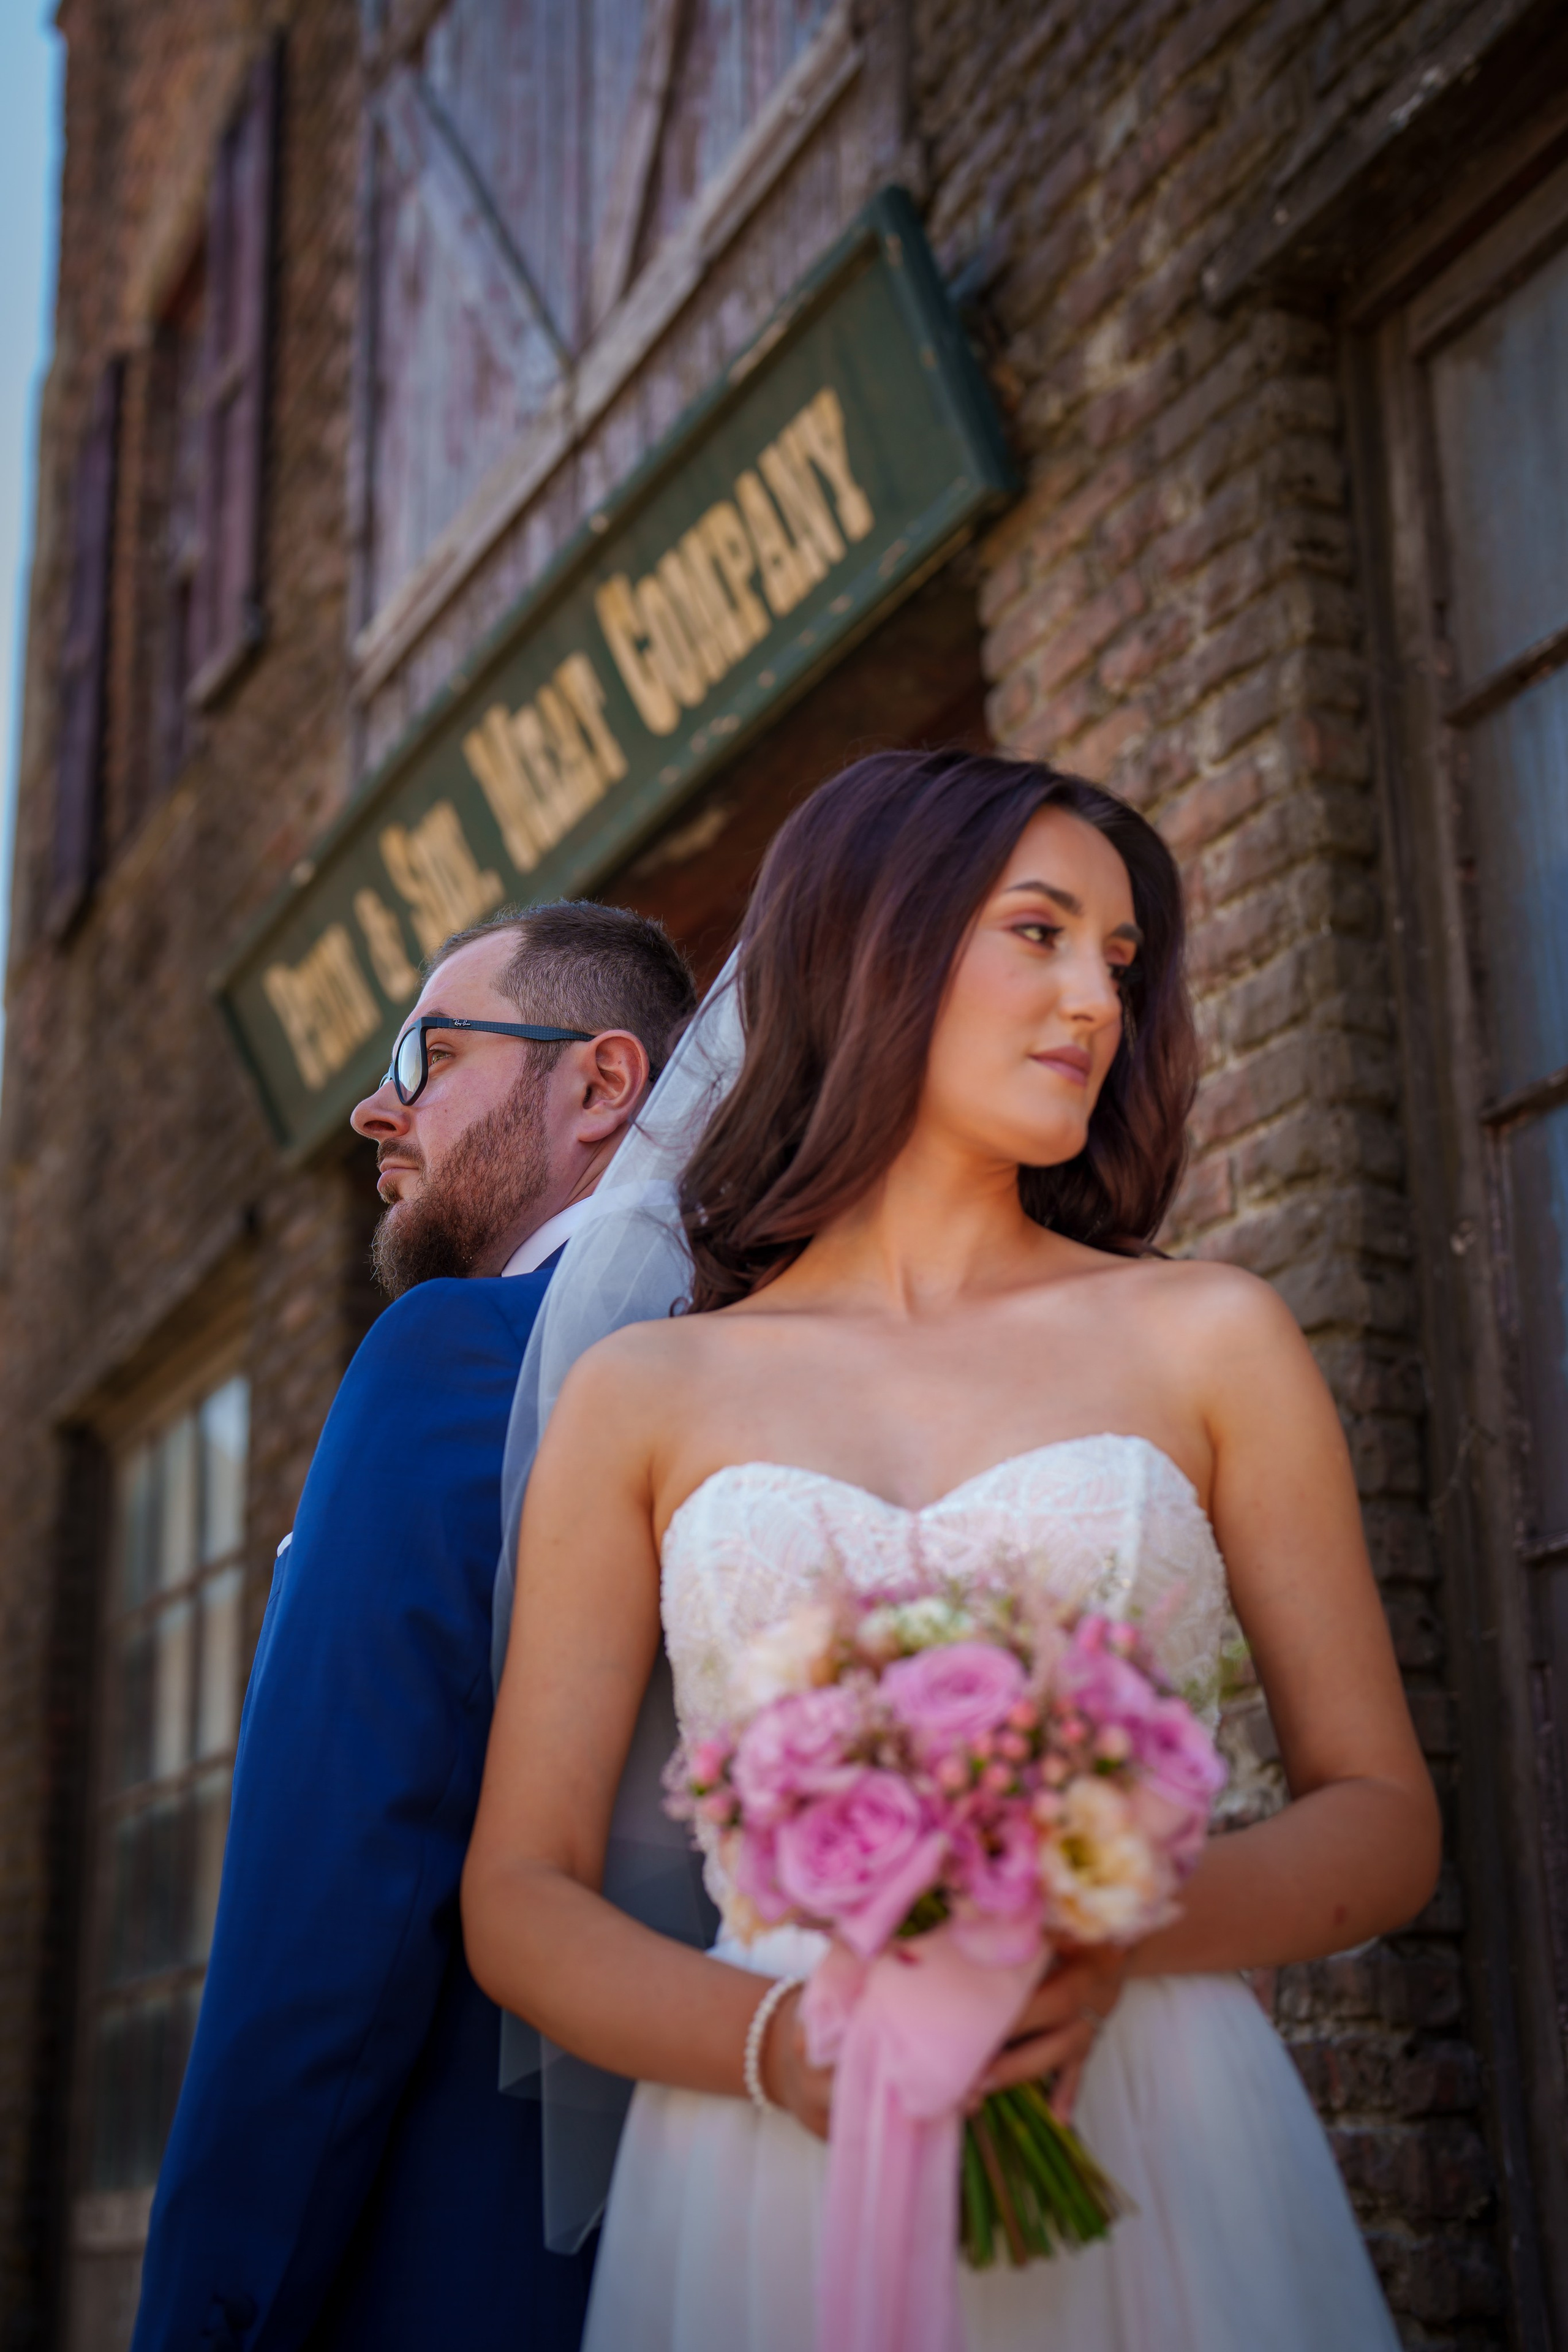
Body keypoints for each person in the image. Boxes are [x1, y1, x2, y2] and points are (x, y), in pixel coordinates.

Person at [462, 751, 1439, 2352]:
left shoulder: (1210, 1336)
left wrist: (1106, 1927)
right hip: (768, 2168)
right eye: (1039, 933)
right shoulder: (645, 1394)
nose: (1096, 1000)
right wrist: (786, 2048)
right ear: (875, 943)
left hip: (1150, 2119)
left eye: (1118, 959)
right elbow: (518, 1895)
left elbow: (1384, 1820)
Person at [131, 900, 696, 2352]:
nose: (375, 1111)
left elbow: (326, 1914)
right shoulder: (773, 1373)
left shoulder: (455, 1360)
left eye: (427, 1056)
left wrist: (209, 2319)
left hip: (450, 2275)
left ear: (601, 1083)